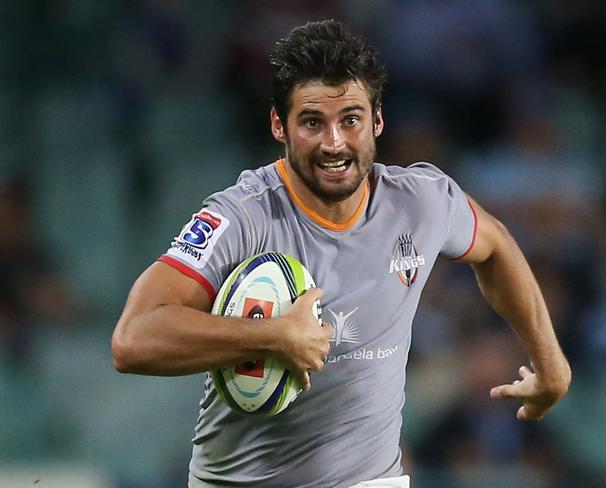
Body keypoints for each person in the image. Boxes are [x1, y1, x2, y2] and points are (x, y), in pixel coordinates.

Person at [111, 20, 571, 488]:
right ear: (278, 124)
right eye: (312, 122)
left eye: (350, 119)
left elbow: (495, 248)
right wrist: (272, 336)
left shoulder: (422, 201)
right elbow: (134, 339)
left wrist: (549, 363)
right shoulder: (240, 217)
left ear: (377, 121)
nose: (334, 142)